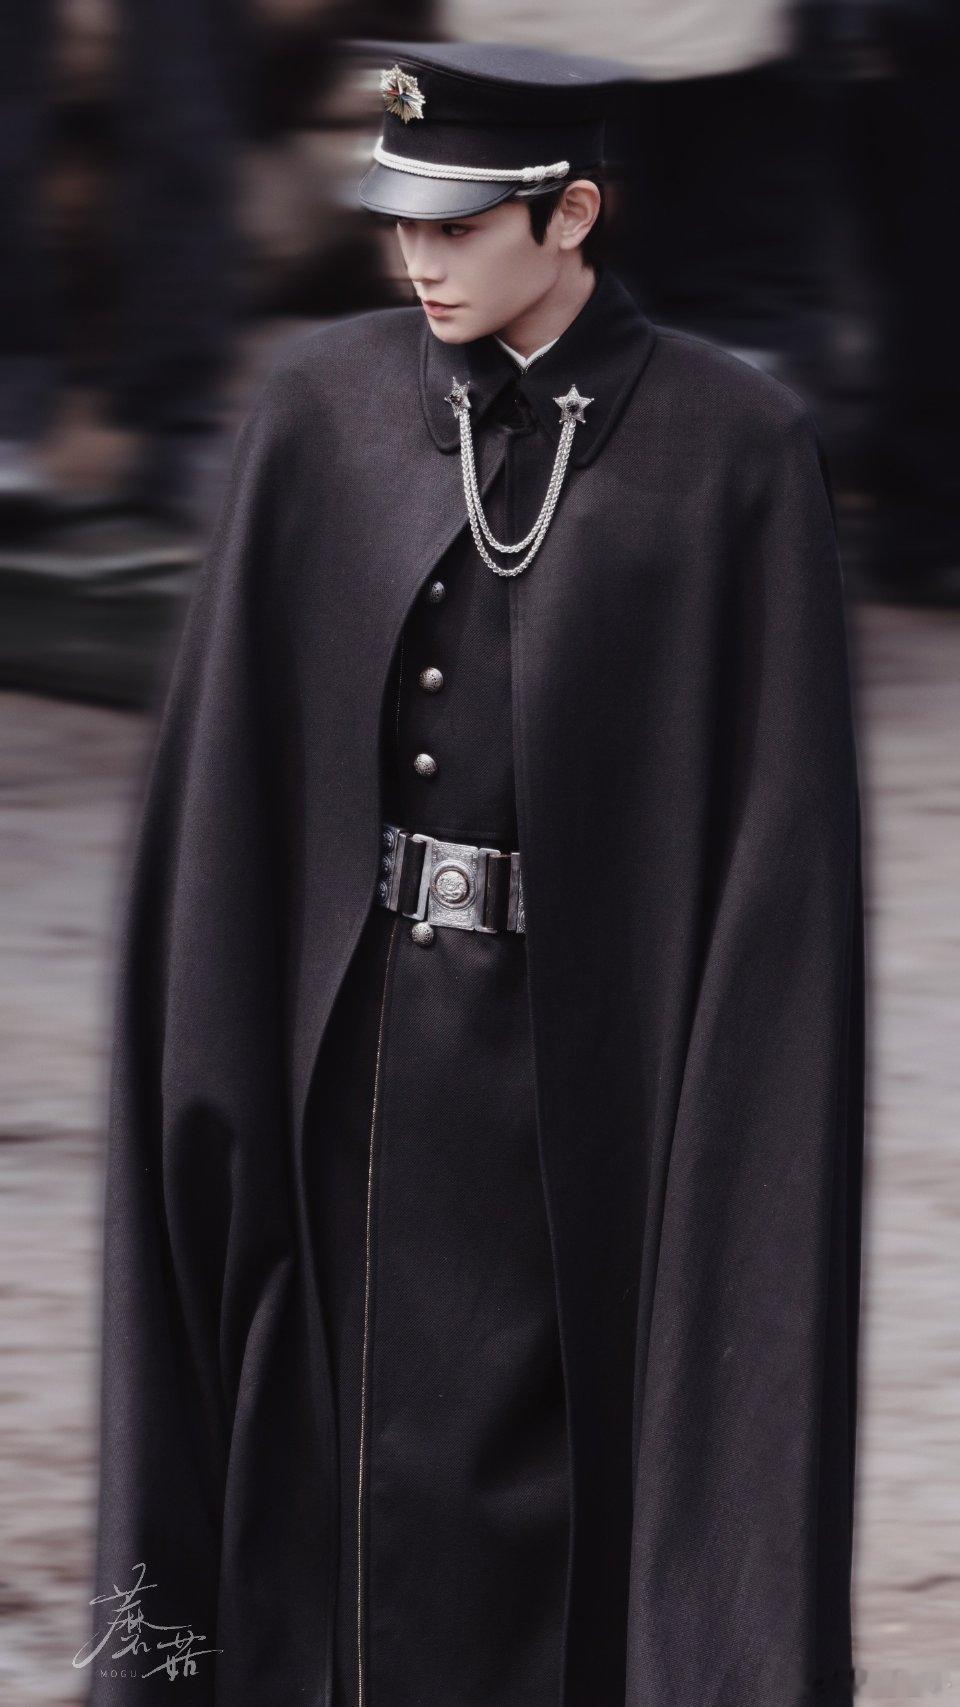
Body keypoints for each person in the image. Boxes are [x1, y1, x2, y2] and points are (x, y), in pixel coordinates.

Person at [86, 39, 866, 1707]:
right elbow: (234, 780)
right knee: (335, 1460)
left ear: (572, 214)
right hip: (353, 1052)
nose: (415, 262)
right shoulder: (321, 409)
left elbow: (778, 853)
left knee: (550, 1483)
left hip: (592, 1078)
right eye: (398, 223)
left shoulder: (732, 448)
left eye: (457, 228)